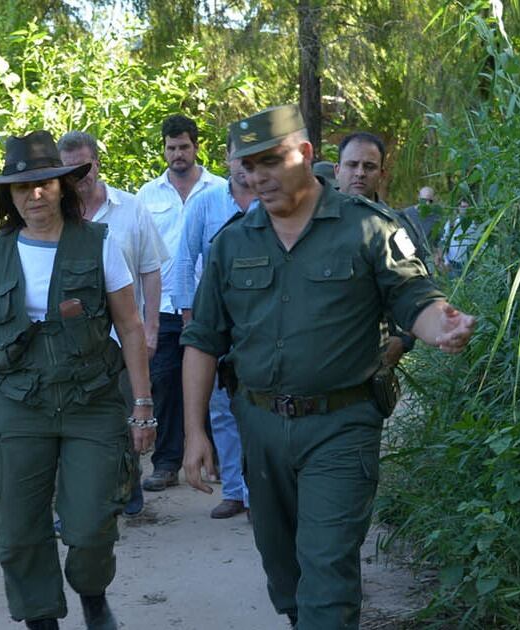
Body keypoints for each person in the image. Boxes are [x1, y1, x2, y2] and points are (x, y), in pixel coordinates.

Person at [180, 105, 476, 629]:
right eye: (247, 165)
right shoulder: (232, 243)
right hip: (261, 425)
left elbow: (417, 299)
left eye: (270, 160)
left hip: (341, 425)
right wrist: (194, 432)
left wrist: (441, 326)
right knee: (283, 568)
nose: (257, 176)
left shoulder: (369, 228)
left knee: (328, 565)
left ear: (306, 155)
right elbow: (202, 340)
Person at [0, 130, 155, 630]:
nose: (34, 195)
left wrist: (143, 404)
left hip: (91, 401)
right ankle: (40, 617)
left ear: (62, 186)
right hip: (21, 403)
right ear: (9, 197)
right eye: (22, 187)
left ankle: (93, 596)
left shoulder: (98, 244)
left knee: (91, 526)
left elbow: (130, 324)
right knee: (16, 529)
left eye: (44, 184)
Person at [57, 130, 168, 516]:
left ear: (98, 164)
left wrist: (151, 326)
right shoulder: (55, 216)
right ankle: (81, 498)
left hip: (124, 338)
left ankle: (128, 488)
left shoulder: (132, 208)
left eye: (85, 167)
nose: (79, 176)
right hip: (72, 343)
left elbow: (151, 271)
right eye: (70, 170)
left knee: (126, 413)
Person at [135, 114, 225, 492]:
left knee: (219, 383)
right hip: (165, 307)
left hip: (213, 306)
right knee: (167, 383)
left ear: (196, 146)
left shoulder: (219, 190)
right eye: (171, 148)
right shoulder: (147, 195)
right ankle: (167, 462)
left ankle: (221, 458)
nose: (177, 154)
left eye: (184, 147)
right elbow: (139, 252)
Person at [171, 130, 258, 519]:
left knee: (259, 409)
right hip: (216, 323)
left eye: (253, 157)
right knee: (221, 408)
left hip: (260, 322)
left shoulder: (272, 204)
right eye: (239, 157)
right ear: (227, 159)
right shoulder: (206, 204)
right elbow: (186, 262)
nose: (245, 165)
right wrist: (191, 318)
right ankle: (235, 492)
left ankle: (262, 494)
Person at [335, 131, 431, 367]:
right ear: (337, 170)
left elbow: (417, 289)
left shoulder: (397, 227)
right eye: (352, 165)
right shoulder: (308, 223)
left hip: (371, 365)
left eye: (369, 166)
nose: (359, 173)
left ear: (382, 174)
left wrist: (404, 340)